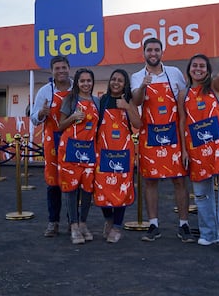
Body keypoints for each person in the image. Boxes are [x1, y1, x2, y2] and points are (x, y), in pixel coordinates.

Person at [131, 37, 193, 243]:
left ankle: (184, 224)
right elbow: (137, 102)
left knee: (179, 180)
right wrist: (143, 86)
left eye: (156, 50)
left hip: (173, 135)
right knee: (150, 181)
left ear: (162, 52)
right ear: (143, 53)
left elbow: (183, 106)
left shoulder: (174, 73)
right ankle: (153, 224)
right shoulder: (137, 76)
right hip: (150, 135)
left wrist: (185, 146)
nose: (153, 53)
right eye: (149, 50)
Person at [178, 51, 219, 254]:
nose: (198, 68)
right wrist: (184, 150)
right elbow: (182, 121)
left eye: (202, 66)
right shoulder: (183, 94)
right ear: (189, 69)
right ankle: (209, 233)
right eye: (194, 65)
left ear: (207, 70)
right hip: (196, 148)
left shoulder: (214, 86)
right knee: (202, 194)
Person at [94, 69, 142, 243]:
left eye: (120, 80)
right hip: (103, 151)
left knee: (121, 188)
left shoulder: (129, 100)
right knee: (102, 187)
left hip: (123, 152)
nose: (116, 82)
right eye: (113, 79)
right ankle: (108, 219)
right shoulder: (102, 101)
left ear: (125, 84)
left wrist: (127, 107)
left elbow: (138, 124)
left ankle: (117, 226)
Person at [31, 55, 72, 237]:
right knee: (53, 183)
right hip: (52, 141)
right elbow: (33, 119)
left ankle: (74, 222)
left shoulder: (76, 88)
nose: (61, 71)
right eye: (57, 68)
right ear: (52, 71)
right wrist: (41, 113)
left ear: (68, 68)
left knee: (73, 182)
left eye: (64, 67)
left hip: (74, 140)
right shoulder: (45, 91)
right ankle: (53, 222)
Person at [58, 68, 100, 245]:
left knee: (88, 188)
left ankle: (83, 223)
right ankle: (73, 225)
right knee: (71, 189)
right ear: (77, 83)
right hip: (71, 149)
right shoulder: (70, 99)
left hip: (89, 149)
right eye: (82, 81)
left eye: (88, 81)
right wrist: (73, 117)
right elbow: (60, 125)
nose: (86, 84)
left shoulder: (97, 101)